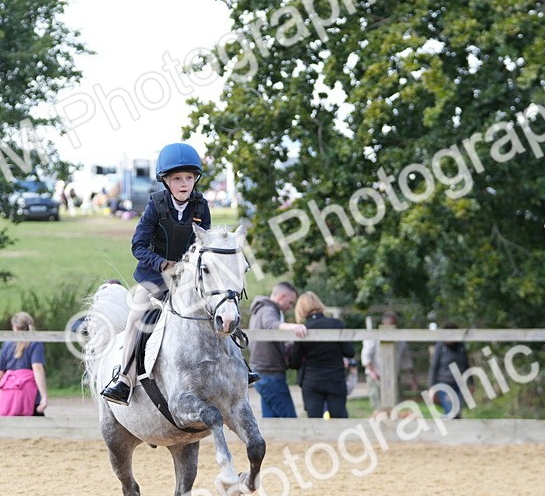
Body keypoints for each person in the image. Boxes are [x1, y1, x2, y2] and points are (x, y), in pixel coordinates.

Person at [100, 142, 258, 405]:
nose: (184, 184)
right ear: (166, 181)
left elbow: (205, 243)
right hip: (154, 278)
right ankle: (124, 379)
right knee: (136, 318)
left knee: (221, 305)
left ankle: (240, 366)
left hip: (189, 280)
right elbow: (138, 246)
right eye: (177, 179)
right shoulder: (155, 205)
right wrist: (163, 264)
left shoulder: (201, 206)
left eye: (189, 178)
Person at [287, 291, 355, 419]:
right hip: (335, 379)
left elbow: (295, 362)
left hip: (312, 381)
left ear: (301, 309)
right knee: (339, 419)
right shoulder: (336, 324)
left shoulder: (303, 329)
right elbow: (349, 352)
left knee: (314, 422)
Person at [249, 281, 308, 418]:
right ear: (281, 296)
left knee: (271, 420)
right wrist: (294, 327)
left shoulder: (260, 309)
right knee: (290, 420)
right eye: (290, 302)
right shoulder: (268, 310)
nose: (290, 307)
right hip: (270, 375)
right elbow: (271, 324)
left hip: (261, 372)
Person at [361, 311, 418, 417]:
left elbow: (407, 360)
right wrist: (373, 373)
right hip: (377, 377)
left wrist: (412, 378)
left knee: (396, 408)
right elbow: (366, 357)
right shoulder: (373, 337)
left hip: (394, 377)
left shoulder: (400, 340)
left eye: (394, 324)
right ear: (383, 324)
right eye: (390, 324)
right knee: (379, 409)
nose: (392, 327)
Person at [0, 312, 48, 416]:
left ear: (14, 327)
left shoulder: (6, 344)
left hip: (9, 397)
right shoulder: (35, 342)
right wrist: (44, 396)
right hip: (30, 396)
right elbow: (37, 368)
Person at [427, 321, 469, 418]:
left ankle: (451, 426)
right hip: (443, 385)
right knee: (450, 410)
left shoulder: (461, 347)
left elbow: (466, 364)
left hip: (459, 385)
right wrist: (431, 388)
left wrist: (471, 382)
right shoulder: (440, 347)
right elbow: (434, 367)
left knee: (456, 411)